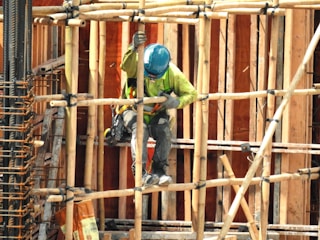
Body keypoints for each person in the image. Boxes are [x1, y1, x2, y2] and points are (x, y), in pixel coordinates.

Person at [119, 31, 197, 187]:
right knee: (140, 130)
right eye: (150, 74)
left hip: (156, 113)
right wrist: (132, 48)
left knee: (164, 132)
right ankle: (140, 173)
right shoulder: (137, 62)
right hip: (131, 110)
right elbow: (124, 65)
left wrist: (177, 102)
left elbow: (192, 94)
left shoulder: (173, 73)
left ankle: (159, 170)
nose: (152, 78)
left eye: (155, 75)